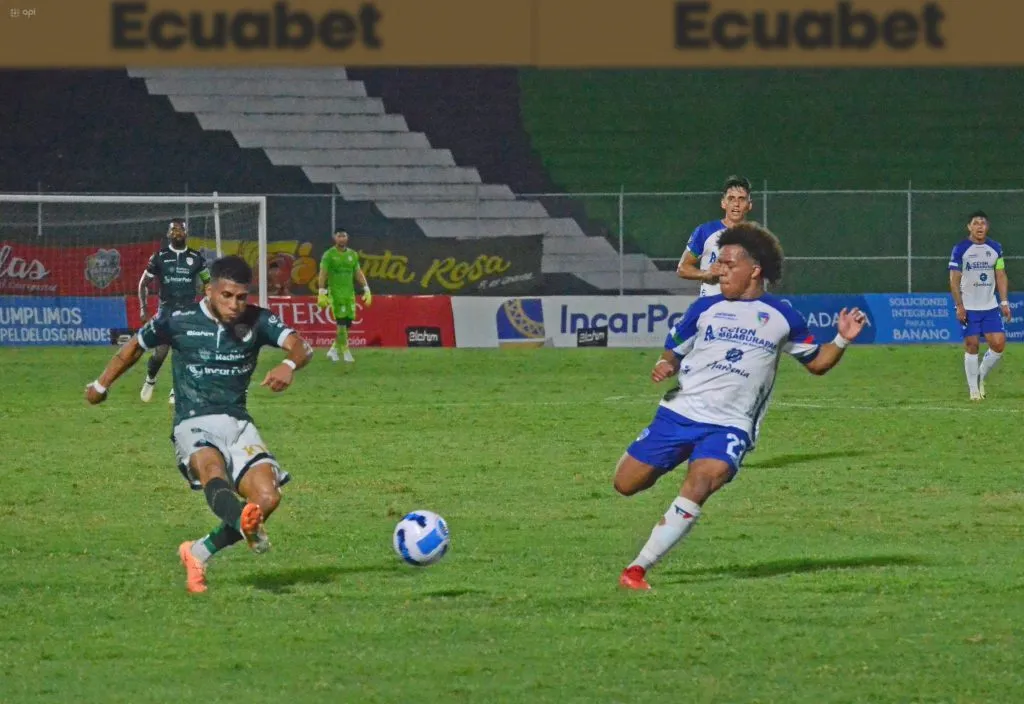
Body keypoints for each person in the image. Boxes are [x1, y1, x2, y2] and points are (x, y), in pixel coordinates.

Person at [615, 223, 868, 591]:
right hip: (680, 413)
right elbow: (674, 348)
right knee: (625, 484)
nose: (719, 271)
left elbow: (817, 363)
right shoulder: (704, 308)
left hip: (730, 425)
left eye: (728, 264)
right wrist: (667, 362)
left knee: (701, 481)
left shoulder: (783, 316)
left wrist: (842, 340)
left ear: (755, 269)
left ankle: (636, 570)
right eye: (717, 264)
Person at [84, 255, 314, 594]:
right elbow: (135, 347)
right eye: (227, 295)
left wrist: (288, 366)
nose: (235, 304)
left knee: (267, 497)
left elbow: (301, 346)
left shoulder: (258, 321)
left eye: (241, 297)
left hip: (238, 423)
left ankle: (197, 552)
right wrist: (101, 385)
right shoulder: (177, 320)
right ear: (209, 290)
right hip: (193, 421)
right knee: (211, 468)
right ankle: (242, 522)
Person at [138, 218, 209, 405]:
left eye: (181, 229)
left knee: (184, 351)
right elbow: (143, 283)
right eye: (173, 229)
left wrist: (208, 298)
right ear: (168, 234)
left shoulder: (196, 258)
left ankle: (175, 390)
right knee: (160, 353)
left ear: (186, 233)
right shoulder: (159, 257)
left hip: (188, 312)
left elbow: (208, 282)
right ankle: (150, 379)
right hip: (165, 312)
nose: (177, 232)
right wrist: (143, 308)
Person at [948, 210, 1011, 401]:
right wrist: (959, 305)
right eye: (976, 223)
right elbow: (954, 279)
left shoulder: (995, 248)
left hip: (989, 306)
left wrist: (1004, 301)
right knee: (972, 344)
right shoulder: (960, 249)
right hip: (969, 306)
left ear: (987, 227)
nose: (980, 227)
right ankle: (973, 390)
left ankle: (980, 375)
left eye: (983, 223)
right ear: (969, 227)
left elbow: (1000, 274)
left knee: (998, 344)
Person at [677, 176, 755, 297]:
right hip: (711, 307)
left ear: (749, 205)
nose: (736, 204)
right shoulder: (705, 231)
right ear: (723, 203)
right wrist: (706, 274)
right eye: (731, 198)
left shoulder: (757, 237)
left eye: (742, 199)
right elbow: (682, 268)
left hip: (743, 307)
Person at [317, 228, 372, 363]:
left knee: (348, 323)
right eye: (339, 236)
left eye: (344, 236)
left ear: (347, 238)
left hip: (349, 294)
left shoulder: (352, 255)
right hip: (336, 293)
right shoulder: (329, 255)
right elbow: (323, 273)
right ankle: (345, 351)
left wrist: (366, 289)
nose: (342, 238)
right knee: (341, 322)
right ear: (335, 238)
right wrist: (322, 292)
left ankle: (333, 349)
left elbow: (358, 272)